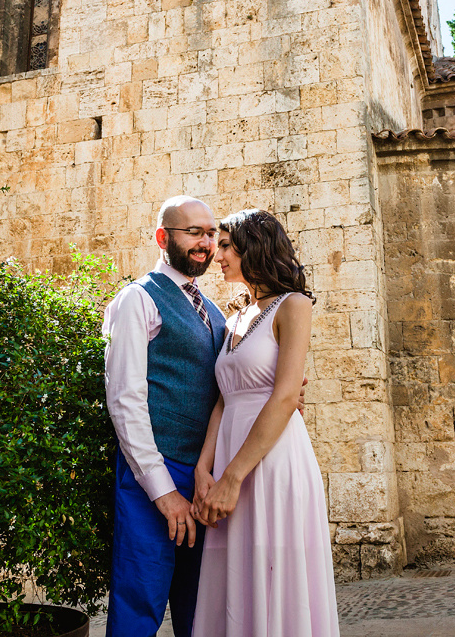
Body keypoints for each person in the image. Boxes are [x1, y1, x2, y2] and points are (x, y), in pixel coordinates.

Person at [191, 209, 340, 637]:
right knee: (234, 573)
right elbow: (224, 398)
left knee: (276, 572)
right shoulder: (233, 319)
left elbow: (286, 395)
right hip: (228, 462)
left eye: (224, 245)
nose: (216, 255)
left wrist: (232, 478)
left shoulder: (293, 306)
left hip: (272, 462)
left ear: (252, 246)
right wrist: (206, 468)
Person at [103, 196, 227, 637]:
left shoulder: (214, 312)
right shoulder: (138, 299)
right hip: (151, 478)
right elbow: (124, 399)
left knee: (202, 613)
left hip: (204, 482)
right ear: (163, 237)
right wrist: (163, 492)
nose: (206, 243)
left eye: (211, 234)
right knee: (139, 610)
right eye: (194, 232)